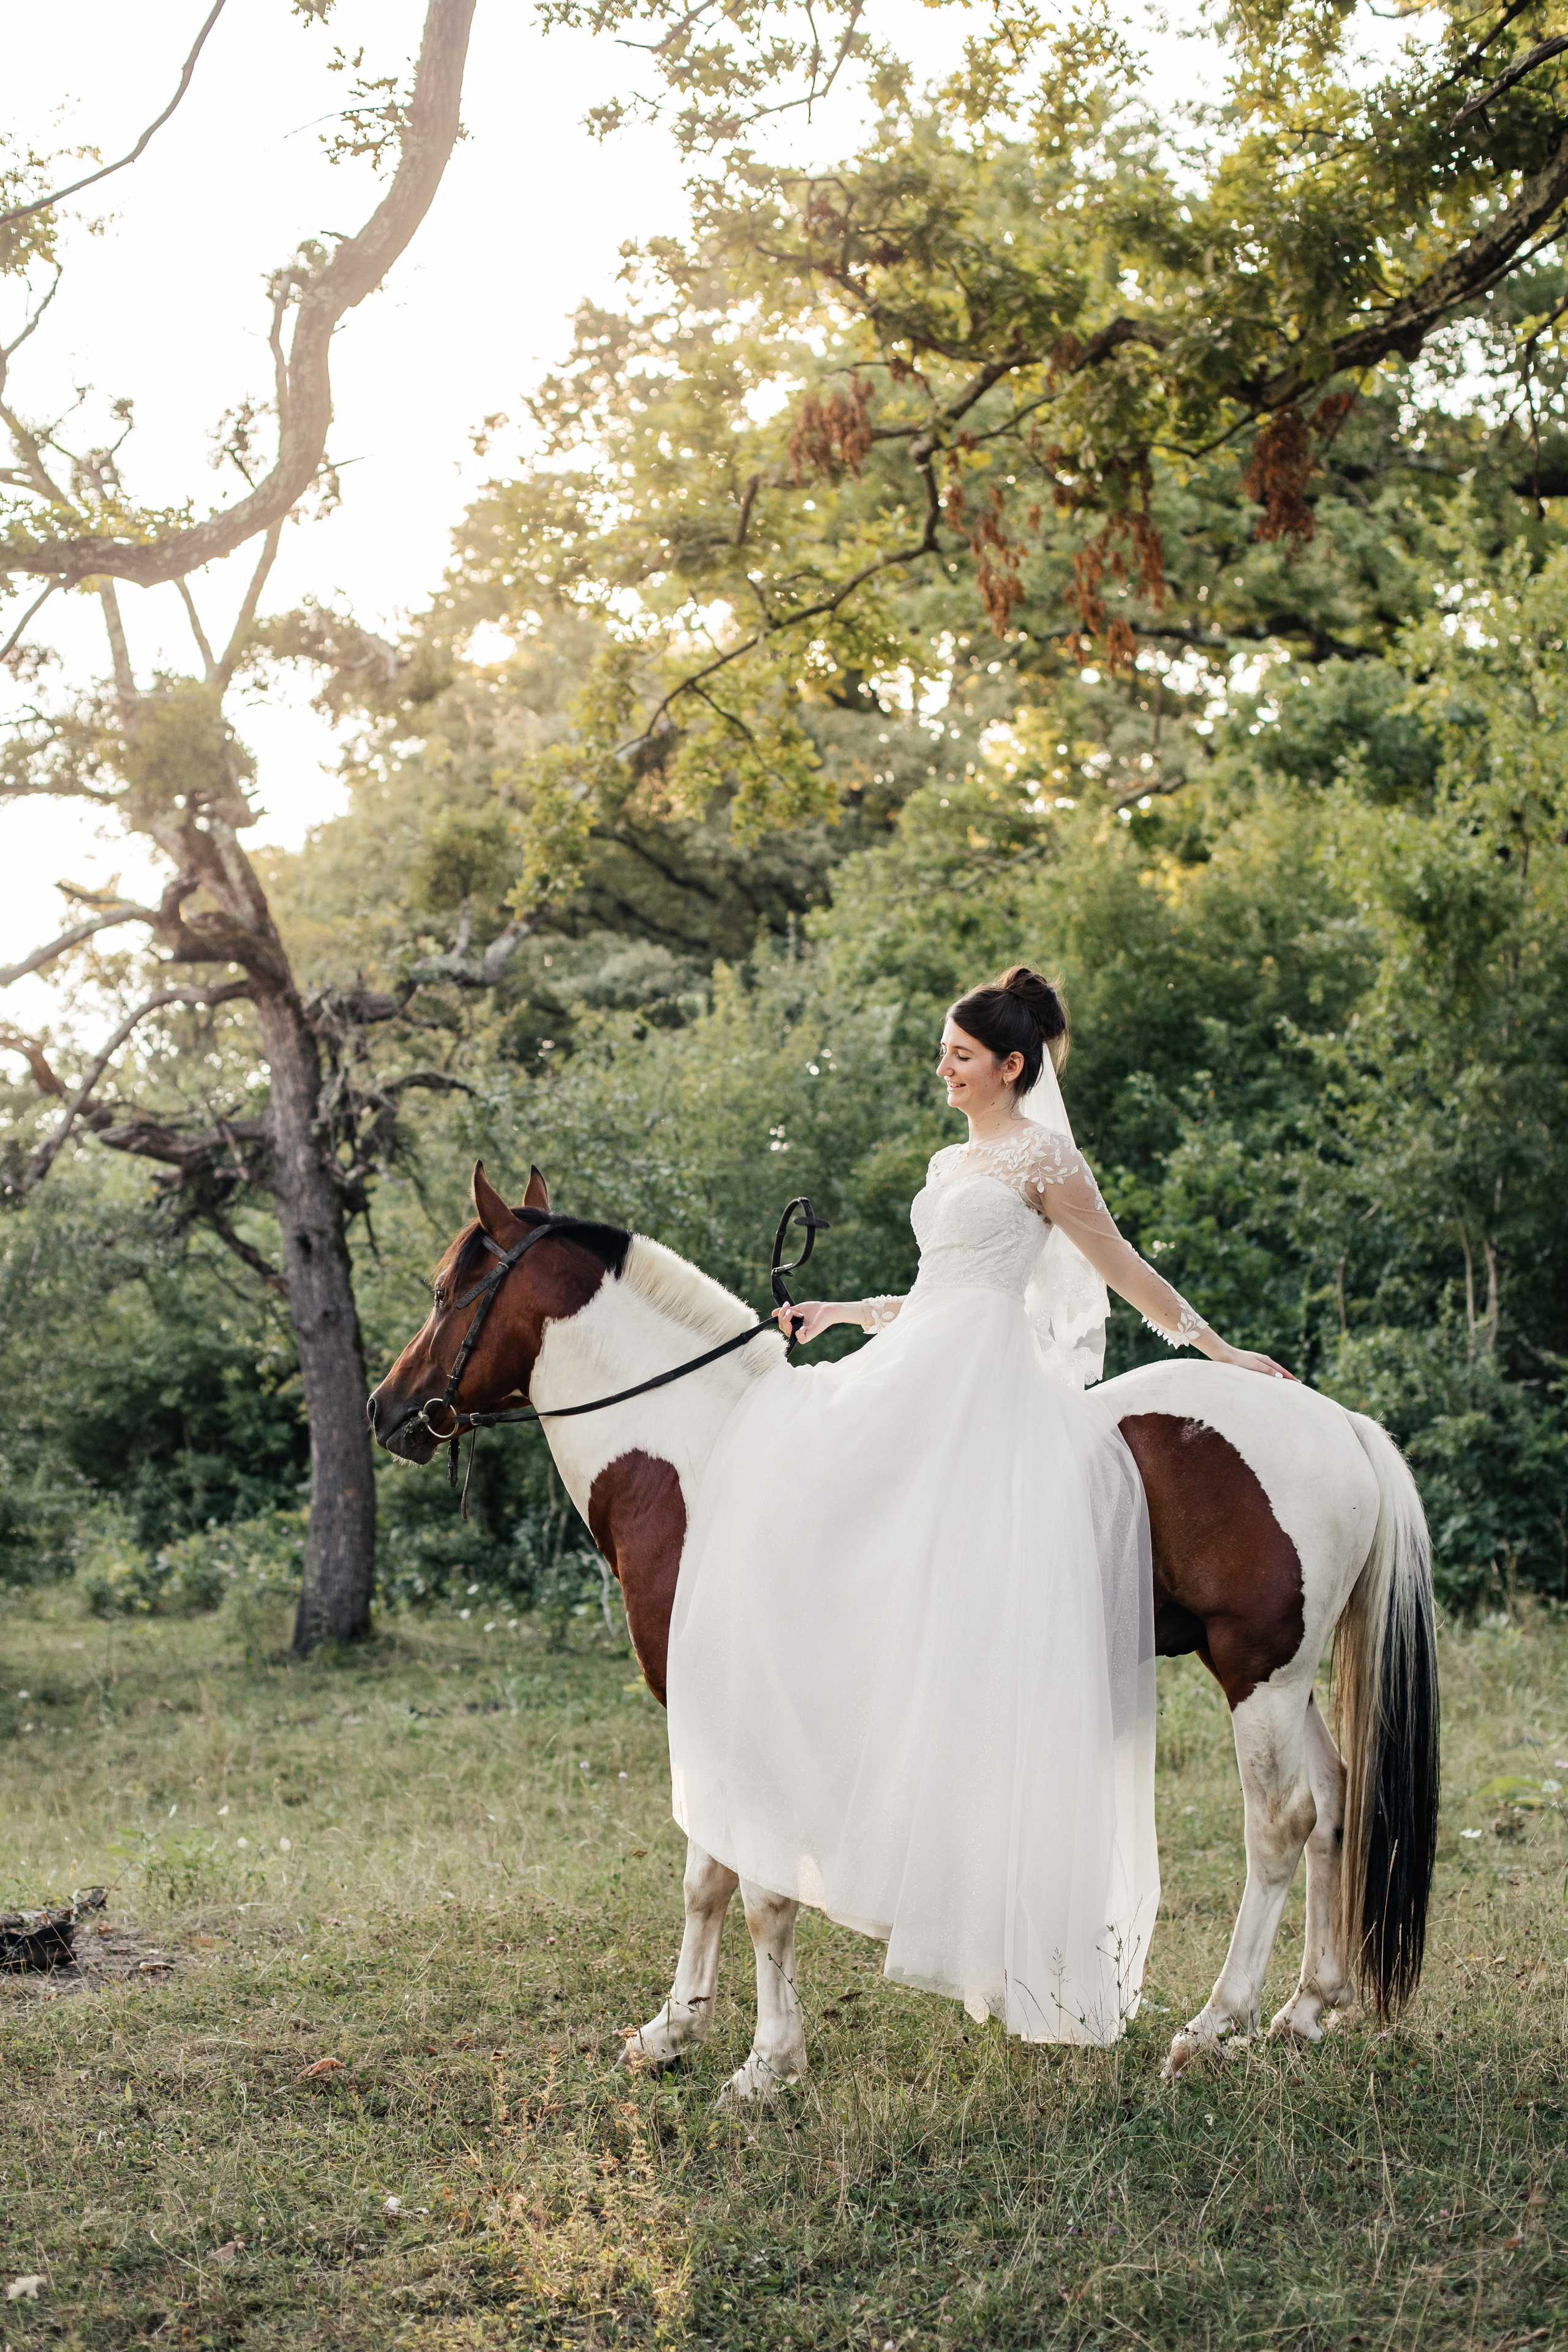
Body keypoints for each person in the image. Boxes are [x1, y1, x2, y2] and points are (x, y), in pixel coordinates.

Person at [664, 967, 1291, 2043]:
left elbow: (1121, 1267)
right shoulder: (949, 1162)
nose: (943, 1071)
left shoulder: (1048, 1160)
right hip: (922, 1356)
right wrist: (842, 1311)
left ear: (1012, 1065)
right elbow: (935, 1292)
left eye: (960, 1057)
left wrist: (1217, 1348)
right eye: (943, 1054)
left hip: (986, 1385)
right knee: (787, 1464)